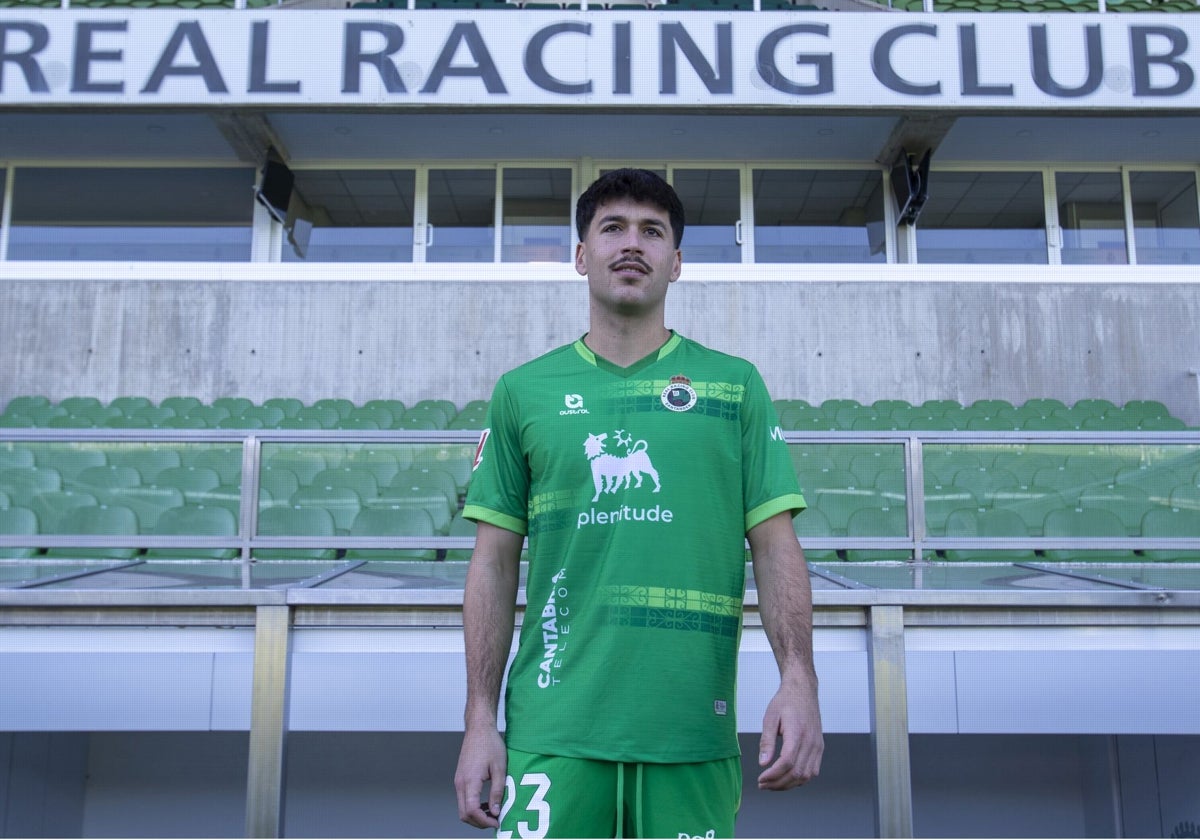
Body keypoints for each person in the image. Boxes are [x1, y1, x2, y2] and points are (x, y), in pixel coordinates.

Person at [453, 168, 822, 839]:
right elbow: (493, 565)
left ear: (675, 263)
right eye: (612, 228)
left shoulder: (734, 386)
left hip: (688, 732)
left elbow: (775, 548)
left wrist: (799, 679)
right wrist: (481, 722)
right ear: (579, 255)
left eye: (652, 231)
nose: (632, 244)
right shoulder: (523, 392)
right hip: (552, 730)